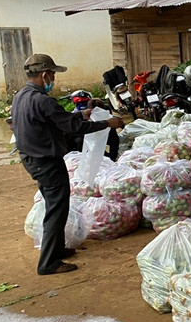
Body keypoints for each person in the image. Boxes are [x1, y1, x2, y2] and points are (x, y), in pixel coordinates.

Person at [11, 53, 125, 275]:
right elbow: (73, 128)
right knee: (57, 209)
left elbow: (61, 120)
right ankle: (48, 263)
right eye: (52, 74)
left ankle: (56, 249)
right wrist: (107, 123)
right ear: (44, 75)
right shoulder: (42, 100)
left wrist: (85, 113)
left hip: (32, 160)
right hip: (47, 162)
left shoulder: (21, 97)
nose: (53, 79)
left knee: (54, 206)